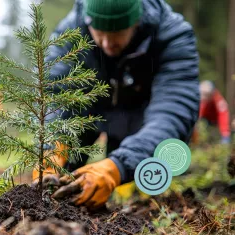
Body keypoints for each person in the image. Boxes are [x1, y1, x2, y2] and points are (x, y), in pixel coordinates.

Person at [32, 0, 200, 209]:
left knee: (147, 192)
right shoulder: (71, 30)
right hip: (89, 113)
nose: (106, 43)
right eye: (99, 32)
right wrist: (51, 146)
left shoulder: (172, 35)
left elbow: (173, 110)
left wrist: (118, 166)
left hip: (141, 122)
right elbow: (53, 92)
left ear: (137, 21)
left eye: (117, 33)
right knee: (65, 185)